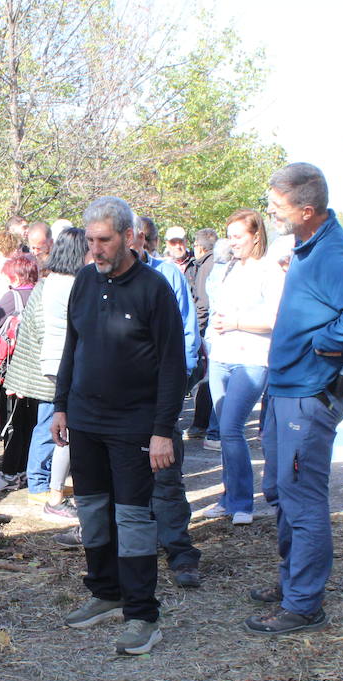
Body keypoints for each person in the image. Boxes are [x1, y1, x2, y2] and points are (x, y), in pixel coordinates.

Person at [245, 163, 343, 636]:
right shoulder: (308, 247)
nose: (270, 213)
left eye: (277, 206)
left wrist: (329, 340)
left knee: (302, 499)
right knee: (283, 493)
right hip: (286, 386)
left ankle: (304, 604)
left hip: (308, 392)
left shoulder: (334, 254)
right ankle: (291, 584)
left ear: (306, 210)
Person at [52, 196, 185, 655]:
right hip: (84, 419)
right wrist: (60, 404)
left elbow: (173, 365)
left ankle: (142, 615)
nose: (95, 250)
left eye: (104, 240)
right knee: (91, 510)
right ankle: (105, 592)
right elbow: (74, 344)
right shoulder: (85, 281)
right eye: (90, 240)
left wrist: (163, 429)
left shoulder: (154, 288)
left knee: (132, 519)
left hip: (134, 424)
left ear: (128, 237)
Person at [198, 208, 284, 526]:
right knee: (225, 431)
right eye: (229, 236)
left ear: (255, 235)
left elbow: (275, 318)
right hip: (222, 356)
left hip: (252, 359)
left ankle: (242, 500)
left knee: (232, 429)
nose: (232, 242)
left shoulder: (270, 270)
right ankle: (229, 496)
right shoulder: (230, 268)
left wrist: (236, 322)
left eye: (238, 237)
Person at [132, 214, 202, 586]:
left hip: (160, 391)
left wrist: (179, 383)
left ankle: (179, 551)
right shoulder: (96, 279)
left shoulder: (167, 275)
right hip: (120, 401)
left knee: (167, 474)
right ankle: (134, 548)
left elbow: (186, 334)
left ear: (143, 239)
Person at [4, 230, 87, 519]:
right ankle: (40, 485)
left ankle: (44, 482)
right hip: (57, 363)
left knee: (49, 422)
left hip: (49, 362)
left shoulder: (50, 280)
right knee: (51, 424)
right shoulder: (70, 284)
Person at [0, 252, 42, 494]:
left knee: (13, 422)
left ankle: (8, 472)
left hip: (16, 368)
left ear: (17, 275)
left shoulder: (13, 296)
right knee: (32, 422)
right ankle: (25, 471)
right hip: (40, 368)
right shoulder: (42, 293)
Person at [186, 228, 221, 443]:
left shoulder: (207, 265)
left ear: (198, 247)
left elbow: (202, 303)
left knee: (206, 381)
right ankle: (205, 425)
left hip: (208, 332)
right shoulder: (210, 264)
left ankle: (203, 425)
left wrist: (198, 330)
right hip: (210, 330)